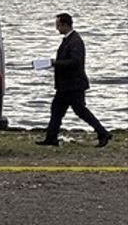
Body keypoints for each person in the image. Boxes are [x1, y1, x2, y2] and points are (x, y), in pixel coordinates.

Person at [37, 13, 112, 148]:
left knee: (80, 111)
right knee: (56, 110)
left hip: (73, 85)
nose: (57, 28)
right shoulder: (69, 40)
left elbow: (75, 62)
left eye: (58, 25)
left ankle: (103, 133)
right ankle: (51, 138)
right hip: (65, 86)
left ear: (65, 25)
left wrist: (55, 63)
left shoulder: (75, 41)